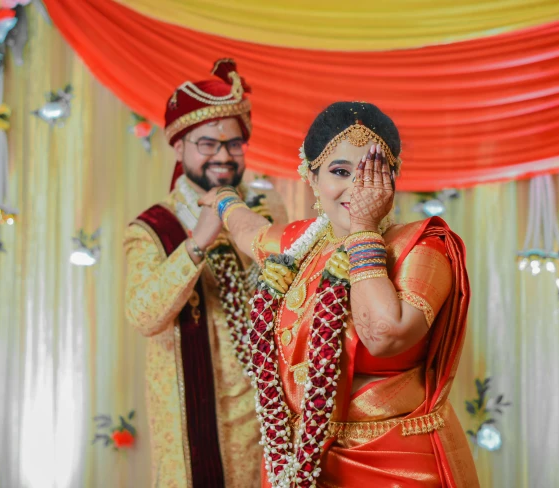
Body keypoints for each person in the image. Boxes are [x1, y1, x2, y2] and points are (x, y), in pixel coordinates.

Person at [203, 101, 479, 487]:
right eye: (339, 171)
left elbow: (384, 334)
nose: (356, 187)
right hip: (302, 461)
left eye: (371, 171)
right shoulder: (303, 243)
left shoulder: (421, 246)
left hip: (396, 463)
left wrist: (364, 230)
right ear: (311, 178)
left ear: (393, 177)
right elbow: (250, 233)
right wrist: (222, 201)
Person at [124, 59, 286, 487]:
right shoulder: (152, 229)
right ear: (178, 147)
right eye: (207, 143)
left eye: (234, 144)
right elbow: (143, 315)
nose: (223, 155)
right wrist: (197, 241)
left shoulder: (267, 211)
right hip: (196, 419)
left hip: (269, 411)